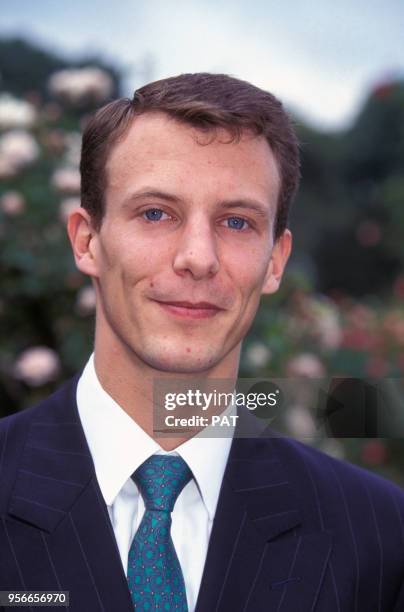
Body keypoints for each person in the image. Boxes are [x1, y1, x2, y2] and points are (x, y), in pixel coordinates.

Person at [0, 72, 404, 612]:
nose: (198, 257)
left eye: (236, 222)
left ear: (275, 261)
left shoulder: (380, 536)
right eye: (155, 213)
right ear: (87, 241)